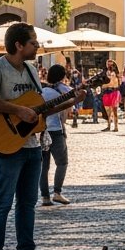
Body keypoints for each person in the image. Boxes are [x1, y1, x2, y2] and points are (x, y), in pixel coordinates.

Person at [0, 23, 85, 250]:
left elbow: (39, 110)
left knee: (27, 202)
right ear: (19, 45)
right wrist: (17, 110)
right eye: (33, 42)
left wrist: (71, 100)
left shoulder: (31, 70)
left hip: (32, 145)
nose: (38, 46)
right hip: (7, 145)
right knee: (2, 202)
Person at [39, 64, 73, 206]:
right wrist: (64, 128)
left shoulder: (40, 90)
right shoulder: (64, 91)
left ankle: (45, 197)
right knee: (62, 162)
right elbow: (65, 113)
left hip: (41, 130)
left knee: (44, 166)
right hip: (56, 130)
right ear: (62, 76)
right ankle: (57, 193)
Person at [100, 59, 122, 130]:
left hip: (113, 92)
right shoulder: (106, 72)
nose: (109, 65)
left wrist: (104, 85)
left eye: (110, 64)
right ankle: (109, 126)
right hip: (107, 92)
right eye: (108, 64)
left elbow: (113, 83)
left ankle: (116, 127)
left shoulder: (114, 73)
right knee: (108, 111)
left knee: (114, 111)